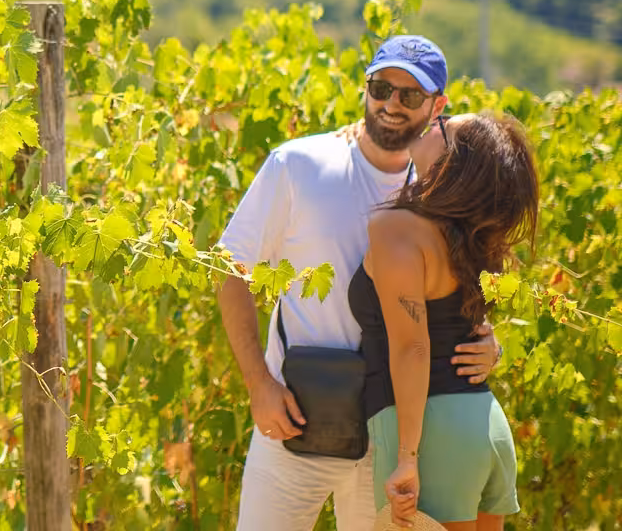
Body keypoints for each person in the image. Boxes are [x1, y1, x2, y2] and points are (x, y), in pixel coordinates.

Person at [216, 35, 501, 531]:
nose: (391, 104)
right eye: (381, 87)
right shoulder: (299, 166)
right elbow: (229, 269)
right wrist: (258, 384)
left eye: (410, 95)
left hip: (393, 438)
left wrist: (489, 343)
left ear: (438, 105)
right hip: (294, 422)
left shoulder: (442, 191)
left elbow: (469, 286)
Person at [351, 111, 537, 529]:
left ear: (452, 162)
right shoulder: (471, 239)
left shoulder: (398, 228)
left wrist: (407, 457)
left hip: (433, 436)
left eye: (445, 124)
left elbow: (413, 347)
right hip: (484, 424)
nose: (434, 121)